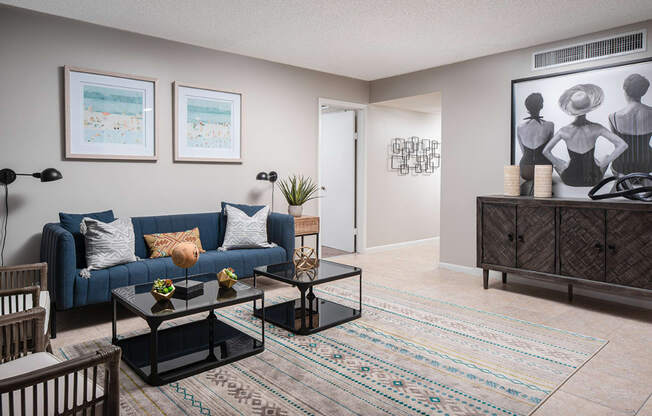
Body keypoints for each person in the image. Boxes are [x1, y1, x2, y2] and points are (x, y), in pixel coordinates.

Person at [543, 84, 628, 187]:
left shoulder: (563, 131)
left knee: (562, 162)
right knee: (605, 157)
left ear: (572, 109)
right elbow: (623, 145)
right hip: (593, 179)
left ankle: (567, 166)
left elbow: (546, 151)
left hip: (570, 179)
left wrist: (562, 165)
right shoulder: (597, 128)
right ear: (588, 108)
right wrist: (602, 164)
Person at [608, 73, 652, 175]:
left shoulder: (613, 116)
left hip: (622, 166)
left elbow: (617, 145)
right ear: (643, 92)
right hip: (647, 164)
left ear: (625, 91)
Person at [517, 93, 554, 194]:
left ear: (527, 107)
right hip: (544, 167)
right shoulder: (550, 125)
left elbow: (523, 151)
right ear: (541, 106)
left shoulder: (520, 127)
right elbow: (548, 151)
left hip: (525, 169)